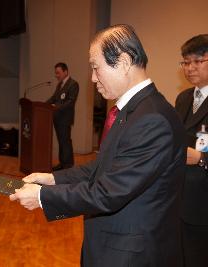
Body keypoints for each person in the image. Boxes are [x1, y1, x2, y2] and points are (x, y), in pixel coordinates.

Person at [10, 24, 186, 266]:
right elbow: (102, 167)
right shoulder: (134, 111)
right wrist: (53, 179)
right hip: (113, 246)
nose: (92, 78)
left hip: (130, 254)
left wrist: (43, 197)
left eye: (95, 67)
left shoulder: (151, 119)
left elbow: (109, 192)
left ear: (123, 62)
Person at [175, 34, 208, 267]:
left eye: (198, 61)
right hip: (180, 195)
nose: (190, 68)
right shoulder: (183, 98)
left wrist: (201, 157)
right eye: (186, 62)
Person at [46, 63, 79, 171]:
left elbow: (70, 102)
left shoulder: (73, 84)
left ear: (66, 72)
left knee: (65, 142)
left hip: (65, 118)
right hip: (57, 118)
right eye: (56, 73)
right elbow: (53, 98)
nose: (57, 75)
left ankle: (68, 165)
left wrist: (56, 107)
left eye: (58, 73)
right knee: (61, 142)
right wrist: (44, 105)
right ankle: (62, 163)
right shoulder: (60, 85)